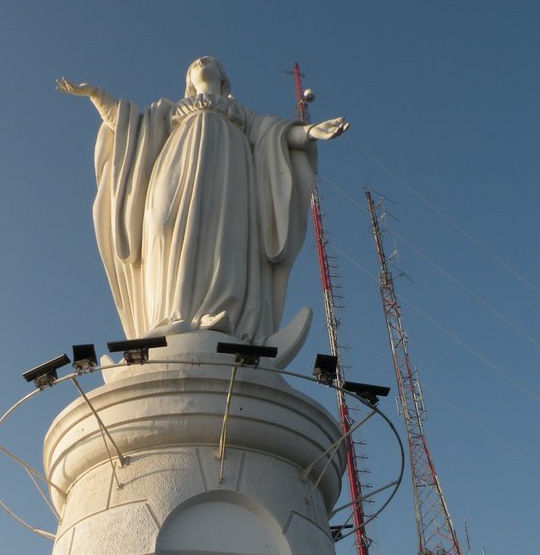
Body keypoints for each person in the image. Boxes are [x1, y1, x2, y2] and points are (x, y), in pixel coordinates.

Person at [56, 57, 349, 346]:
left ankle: (220, 315)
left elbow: (276, 135)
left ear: (223, 79)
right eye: (195, 62)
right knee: (162, 226)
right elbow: (127, 125)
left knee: (222, 237)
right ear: (188, 79)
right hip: (174, 167)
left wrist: (310, 132)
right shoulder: (170, 110)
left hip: (229, 173)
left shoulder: (241, 113)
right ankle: (169, 316)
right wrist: (96, 95)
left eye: (209, 61)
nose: (201, 61)